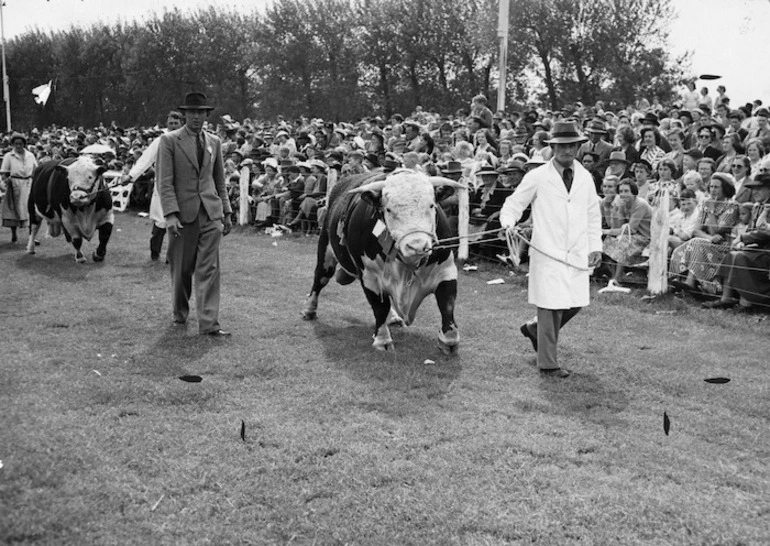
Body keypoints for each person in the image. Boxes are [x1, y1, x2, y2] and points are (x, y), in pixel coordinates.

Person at [500, 121, 603, 379]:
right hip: (547, 250)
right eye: (561, 146)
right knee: (549, 305)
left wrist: (595, 246)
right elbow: (514, 203)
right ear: (552, 147)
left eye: (571, 146)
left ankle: (534, 330)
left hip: (577, 250)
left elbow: (593, 214)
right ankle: (548, 363)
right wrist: (508, 223)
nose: (567, 151)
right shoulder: (538, 176)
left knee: (574, 302)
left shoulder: (585, 178)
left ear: (579, 147)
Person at [156, 92, 233, 337]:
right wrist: (170, 214)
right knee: (181, 269)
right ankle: (180, 312)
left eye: (201, 113)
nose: (197, 117)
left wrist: (226, 211)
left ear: (207, 115)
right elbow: (164, 182)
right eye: (192, 113)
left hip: (210, 213)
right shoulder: (169, 141)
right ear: (185, 114)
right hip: (182, 215)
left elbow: (219, 180)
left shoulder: (214, 142)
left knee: (209, 268)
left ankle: (209, 323)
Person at [124, 110, 184, 261]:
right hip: (163, 186)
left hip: (183, 188)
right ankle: (155, 252)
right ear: (167, 124)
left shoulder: (187, 140)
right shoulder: (160, 141)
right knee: (161, 222)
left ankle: (173, 255)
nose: (173, 126)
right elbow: (145, 160)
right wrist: (131, 175)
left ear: (181, 123)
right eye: (170, 123)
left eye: (176, 123)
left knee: (179, 222)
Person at [669, 172, 738, 294]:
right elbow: (696, 230)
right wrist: (709, 238)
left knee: (697, 243)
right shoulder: (707, 203)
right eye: (711, 186)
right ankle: (677, 280)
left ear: (725, 189)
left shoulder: (731, 206)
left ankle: (690, 283)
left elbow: (717, 230)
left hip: (724, 244)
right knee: (686, 246)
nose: (713, 190)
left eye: (717, 187)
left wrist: (711, 211)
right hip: (709, 241)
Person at [601, 179, 653, 289]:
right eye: (621, 191)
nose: (623, 194)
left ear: (633, 192)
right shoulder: (623, 204)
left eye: (626, 191)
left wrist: (608, 231)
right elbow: (617, 226)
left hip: (646, 237)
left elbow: (631, 229)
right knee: (609, 239)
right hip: (632, 235)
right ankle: (612, 275)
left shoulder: (640, 204)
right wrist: (617, 211)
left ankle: (617, 278)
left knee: (622, 240)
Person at [1, 133, 38, 244]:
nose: (18, 146)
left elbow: (35, 169)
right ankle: (14, 234)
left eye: (20, 144)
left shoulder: (30, 155)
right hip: (14, 183)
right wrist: (6, 180)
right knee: (13, 209)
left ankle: (32, 236)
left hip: (28, 183)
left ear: (24, 144)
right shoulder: (9, 156)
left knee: (30, 210)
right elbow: (4, 172)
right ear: (12, 144)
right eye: (16, 144)